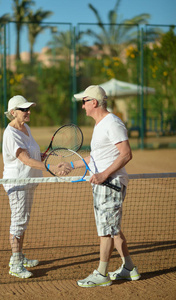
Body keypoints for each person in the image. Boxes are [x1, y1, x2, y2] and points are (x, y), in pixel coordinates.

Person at [60, 85, 141, 287]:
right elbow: (95, 158)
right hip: (103, 183)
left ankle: (102, 274)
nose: (82, 106)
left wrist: (104, 174)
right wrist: (71, 165)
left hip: (110, 184)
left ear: (94, 103)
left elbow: (126, 153)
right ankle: (129, 268)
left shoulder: (112, 123)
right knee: (113, 229)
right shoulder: (100, 125)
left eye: (84, 101)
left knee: (105, 230)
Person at [2, 95, 45, 279]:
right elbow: (25, 160)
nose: (28, 112)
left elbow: (31, 154)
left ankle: (19, 255)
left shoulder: (25, 127)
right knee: (18, 222)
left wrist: (41, 156)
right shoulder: (10, 133)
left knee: (23, 220)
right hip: (17, 183)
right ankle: (15, 264)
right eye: (24, 109)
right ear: (13, 113)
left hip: (28, 182)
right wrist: (48, 167)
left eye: (28, 108)